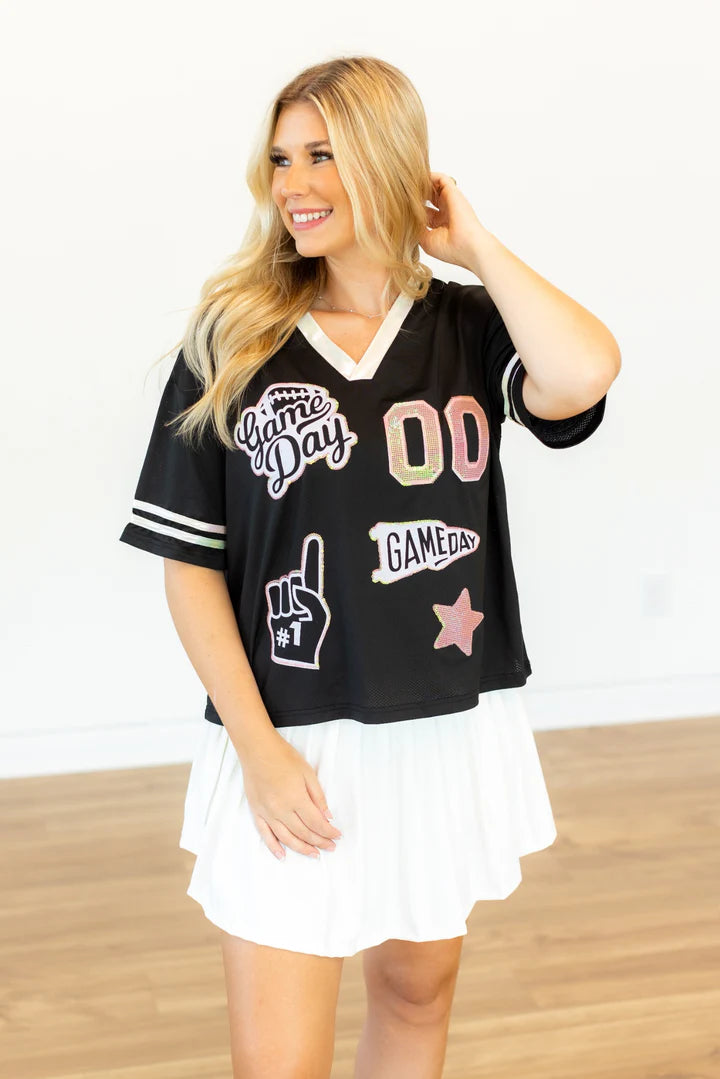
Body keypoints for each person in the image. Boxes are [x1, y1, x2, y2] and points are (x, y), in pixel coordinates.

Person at [119, 55, 620, 1079]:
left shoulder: (470, 328)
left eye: (324, 155)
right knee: (279, 1060)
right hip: (291, 735)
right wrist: (258, 750)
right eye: (281, 160)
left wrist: (474, 245)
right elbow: (188, 564)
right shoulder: (233, 338)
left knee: (414, 996)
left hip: (441, 721)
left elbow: (583, 371)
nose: (293, 185)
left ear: (389, 160)